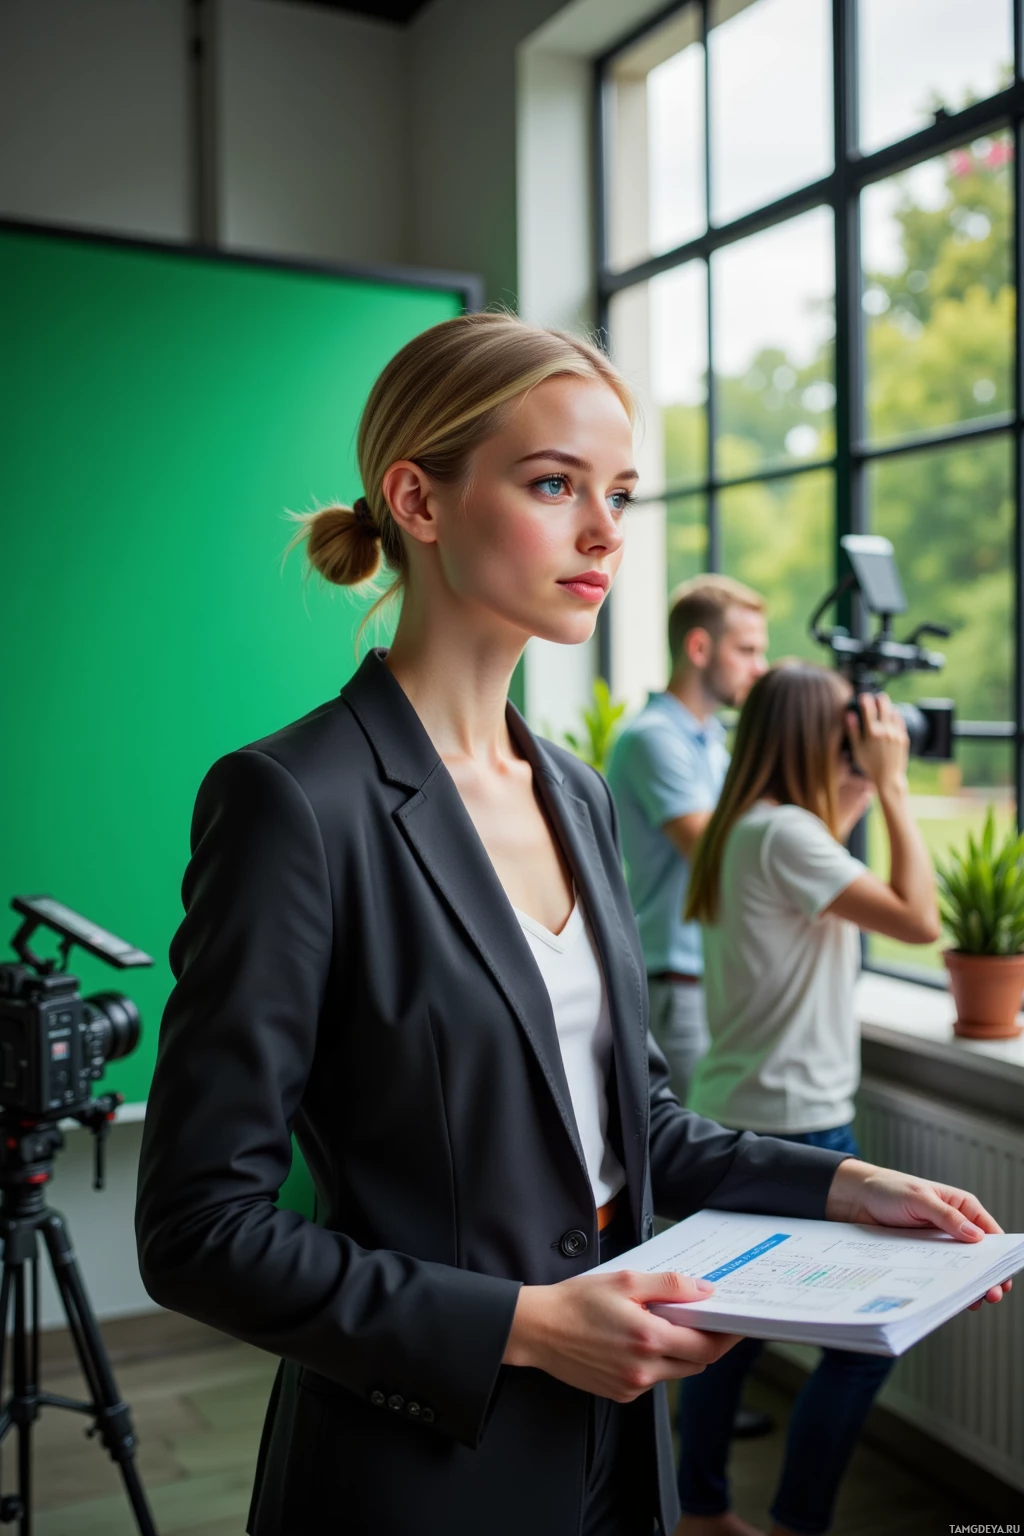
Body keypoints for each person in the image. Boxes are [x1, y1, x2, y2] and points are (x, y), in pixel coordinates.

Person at [134, 315, 1010, 1536]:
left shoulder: (577, 792)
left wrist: (845, 1185)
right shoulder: (296, 800)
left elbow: (635, 1126)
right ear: (418, 501)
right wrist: (527, 1327)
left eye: (620, 493)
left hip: (618, 1440)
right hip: (420, 1465)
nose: (605, 532)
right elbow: (199, 1230)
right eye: (554, 484)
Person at [677, 662, 951, 1536]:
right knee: (865, 1346)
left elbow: (823, 855)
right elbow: (919, 920)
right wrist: (895, 784)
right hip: (799, 1126)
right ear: (814, 737)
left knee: (728, 1341)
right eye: (845, 730)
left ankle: (699, 1510)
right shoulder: (787, 834)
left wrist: (862, 781)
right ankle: (795, 1524)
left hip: (738, 1108)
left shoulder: (745, 824)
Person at [606, 577, 768, 1107]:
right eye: (747, 650)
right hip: (676, 983)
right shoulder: (653, 738)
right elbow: (716, 858)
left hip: (708, 978)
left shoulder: (712, 743)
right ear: (699, 648)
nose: (759, 668)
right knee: (683, 1142)